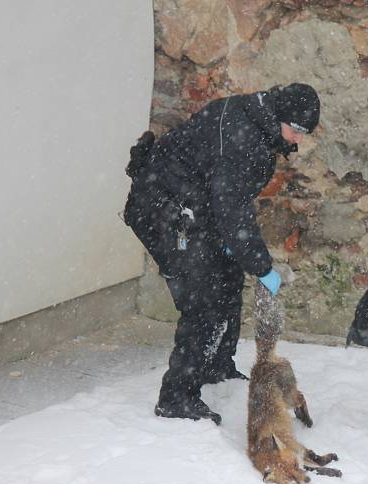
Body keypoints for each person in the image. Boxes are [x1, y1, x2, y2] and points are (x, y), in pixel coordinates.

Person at [123, 83, 320, 425]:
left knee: (227, 278)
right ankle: (177, 398)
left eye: (304, 133)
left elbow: (225, 197)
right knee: (203, 302)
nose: (297, 140)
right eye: (296, 130)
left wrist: (236, 248)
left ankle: (216, 365)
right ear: (280, 118)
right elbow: (232, 210)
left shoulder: (257, 118)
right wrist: (261, 266)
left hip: (194, 206)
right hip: (162, 210)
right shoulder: (245, 140)